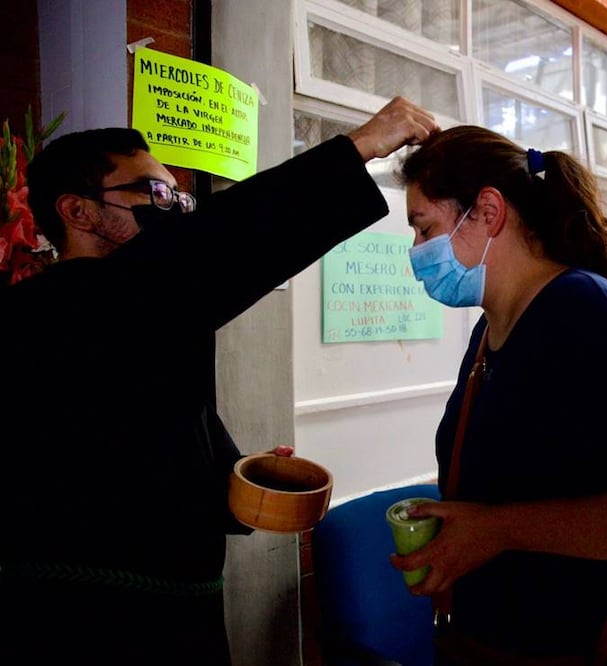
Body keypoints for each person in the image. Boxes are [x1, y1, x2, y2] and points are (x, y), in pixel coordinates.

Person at [0, 97, 439, 665]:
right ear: (77, 211)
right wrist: (359, 146)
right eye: (154, 195)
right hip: (83, 625)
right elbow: (227, 237)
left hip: (180, 616)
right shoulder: (55, 308)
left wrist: (242, 479)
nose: (175, 214)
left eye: (179, 198)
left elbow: (170, 437)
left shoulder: (152, 310)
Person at [390, 127, 607, 665]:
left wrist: (496, 531)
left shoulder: (584, 311)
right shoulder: (490, 332)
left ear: (488, 211)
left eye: (425, 228)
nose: (417, 251)